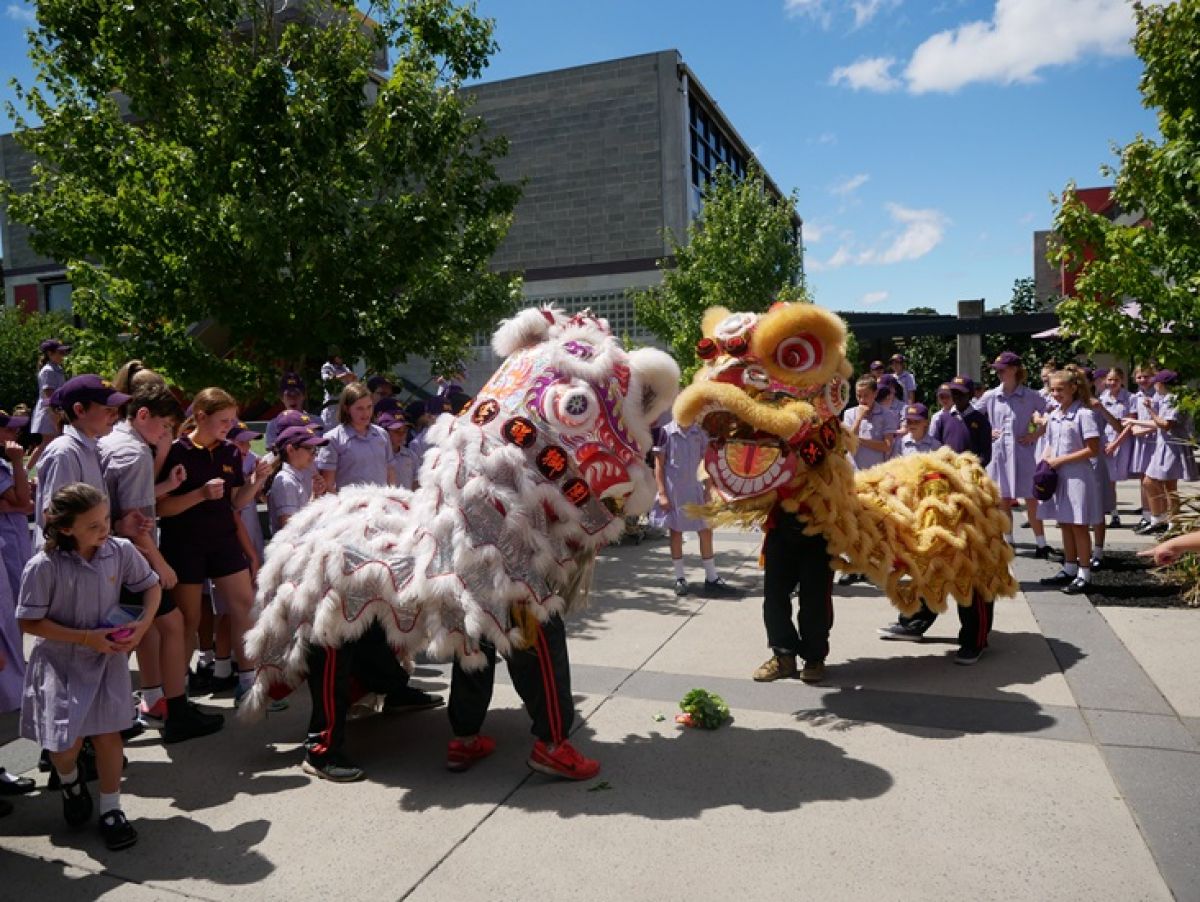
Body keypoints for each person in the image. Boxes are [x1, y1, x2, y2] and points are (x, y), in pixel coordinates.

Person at [17, 483, 161, 849]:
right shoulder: (42, 566)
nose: (105, 530)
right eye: (94, 525)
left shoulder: (119, 551)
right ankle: (70, 781)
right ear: (66, 528)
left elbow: (151, 586)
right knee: (65, 745)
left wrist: (142, 626)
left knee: (108, 736)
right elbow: (28, 622)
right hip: (60, 663)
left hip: (106, 660)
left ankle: (111, 808)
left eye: (105, 519)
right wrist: (84, 638)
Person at [98, 384, 224, 742]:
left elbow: (125, 502)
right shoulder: (135, 453)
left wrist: (167, 484)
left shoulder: (111, 443)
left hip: (114, 556)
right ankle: (176, 710)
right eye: (164, 426)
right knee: (172, 626)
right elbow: (135, 518)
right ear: (142, 415)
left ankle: (128, 712)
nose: (166, 434)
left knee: (126, 635)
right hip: (133, 559)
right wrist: (159, 564)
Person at [157, 388, 271, 705]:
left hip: (222, 539)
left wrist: (256, 481)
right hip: (185, 544)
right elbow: (160, 508)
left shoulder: (230, 452)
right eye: (223, 420)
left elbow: (235, 501)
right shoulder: (176, 452)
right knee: (189, 621)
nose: (228, 426)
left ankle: (248, 683)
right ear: (201, 417)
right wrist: (199, 495)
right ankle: (175, 695)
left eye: (232, 420)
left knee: (245, 606)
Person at [650, 417, 737, 597]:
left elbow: (707, 462)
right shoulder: (665, 432)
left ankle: (711, 577)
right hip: (675, 491)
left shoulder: (700, 433)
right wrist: (662, 493)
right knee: (676, 531)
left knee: (706, 529)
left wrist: (709, 488)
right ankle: (680, 578)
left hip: (697, 489)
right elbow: (658, 465)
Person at [1038, 369, 1103, 594]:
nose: (1056, 394)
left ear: (1073, 388)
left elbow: (1093, 449)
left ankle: (1085, 572)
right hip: (1059, 475)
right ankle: (1069, 567)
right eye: (1052, 390)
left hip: (1078, 476)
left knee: (1078, 524)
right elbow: (1050, 444)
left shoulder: (1084, 414)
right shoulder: (1055, 414)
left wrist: (1061, 459)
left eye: (1060, 389)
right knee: (1065, 522)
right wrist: (1044, 463)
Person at [981, 351, 1051, 555]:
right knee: (1003, 498)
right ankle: (1008, 540)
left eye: (1002, 370)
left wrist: (1036, 434)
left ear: (1014, 370)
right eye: (997, 371)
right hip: (1000, 452)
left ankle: (1041, 542)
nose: (999, 374)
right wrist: (987, 431)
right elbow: (973, 416)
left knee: (1031, 497)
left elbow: (1051, 415)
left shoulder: (1030, 396)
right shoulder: (991, 395)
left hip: (1023, 451)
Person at [1139, 369, 1195, 534]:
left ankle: (1172, 522)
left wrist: (1150, 410)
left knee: (1169, 486)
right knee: (1152, 482)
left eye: (1156, 382)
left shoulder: (1173, 400)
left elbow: (1165, 424)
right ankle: (1161, 518)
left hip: (1172, 447)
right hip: (1164, 446)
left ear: (1161, 384)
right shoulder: (1165, 399)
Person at [316, 382, 396, 492]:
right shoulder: (333, 439)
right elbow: (328, 486)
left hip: (380, 505)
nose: (366, 413)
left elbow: (390, 475)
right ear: (346, 408)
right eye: (360, 408)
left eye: (369, 407)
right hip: (351, 506)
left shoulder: (382, 435)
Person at [1091, 367, 1133, 564]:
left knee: (1115, 478)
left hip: (1119, 441)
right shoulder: (1102, 397)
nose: (1111, 383)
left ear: (1122, 380)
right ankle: (1114, 512)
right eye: (1108, 380)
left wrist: (1116, 443)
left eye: (1115, 380)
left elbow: (1125, 424)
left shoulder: (1129, 397)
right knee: (1109, 481)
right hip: (1104, 442)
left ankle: (1113, 512)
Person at [267, 425, 328, 533]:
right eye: (309, 448)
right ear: (290, 449)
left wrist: (316, 495)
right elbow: (289, 529)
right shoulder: (286, 482)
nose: (314, 454)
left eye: (315, 449)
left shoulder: (299, 476)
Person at [28, 338, 70, 471]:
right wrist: (56, 412)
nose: (63, 356)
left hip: (55, 409)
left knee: (49, 442)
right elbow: (49, 393)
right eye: (60, 352)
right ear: (50, 353)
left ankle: (36, 468)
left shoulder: (57, 369)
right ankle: (28, 469)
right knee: (47, 442)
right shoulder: (48, 370)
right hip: (49, 410)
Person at [931, 376, 992, 465]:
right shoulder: (942, 418)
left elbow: (985, 453)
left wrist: (973, 466)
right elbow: (936, 447)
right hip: (949, 472)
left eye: (961, 393)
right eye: (954, 392)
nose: (957, 396)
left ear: (970, 395)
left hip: (971, 472)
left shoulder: (981, 420)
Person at [264, 373, 307, 449]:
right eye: (289, 395)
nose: (293, 398)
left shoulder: (317, 422)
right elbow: (272, 453)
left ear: (304, 396)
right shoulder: (273, 425)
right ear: (281, 398)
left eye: (297, 394)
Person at [377, 412, 418, 490]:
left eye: (405, 431)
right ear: (384, 432)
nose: (401, 435)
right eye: (396, 431)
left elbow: (415, 484)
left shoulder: (411, 456)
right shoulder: (376, 455)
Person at [320, 349, 356, 429]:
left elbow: (352, 380)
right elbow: (327, 379)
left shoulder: (344, 367)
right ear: (334, 357)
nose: (342, 359)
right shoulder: (327, 366)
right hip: (332, 406)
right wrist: (344, 376)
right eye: (340, 357)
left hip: (344, 405)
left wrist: (353, 378)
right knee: (330, 432)